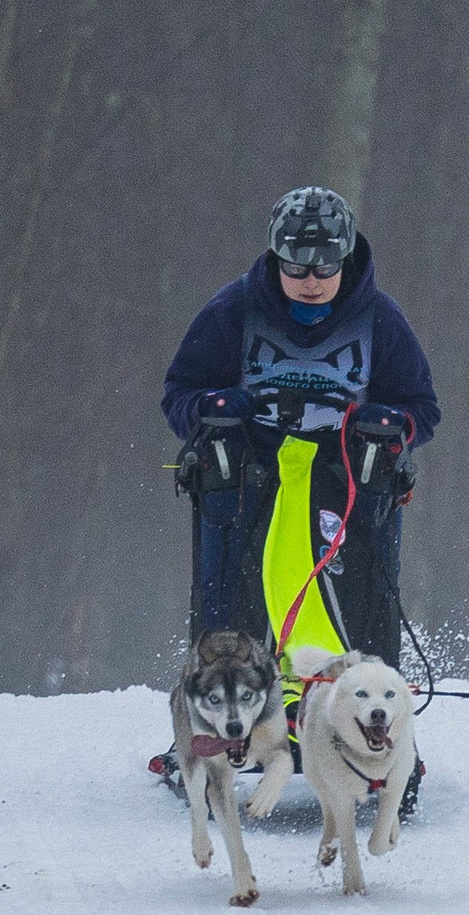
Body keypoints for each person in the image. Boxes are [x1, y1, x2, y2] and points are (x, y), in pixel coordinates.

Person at [162, 185, 440, 671]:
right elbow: (179, 394)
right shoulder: (233, 310)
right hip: (252, 478)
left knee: (357, 594)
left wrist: (395, 426)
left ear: (345, 259)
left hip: (345, 480)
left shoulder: (380, 320)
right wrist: (214, 408)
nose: (310, 281)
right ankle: (225, 709)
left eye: (325, 267)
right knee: (233, 593)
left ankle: (367, 711)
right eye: (296, 267)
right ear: (276, 257)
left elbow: (423, 409)